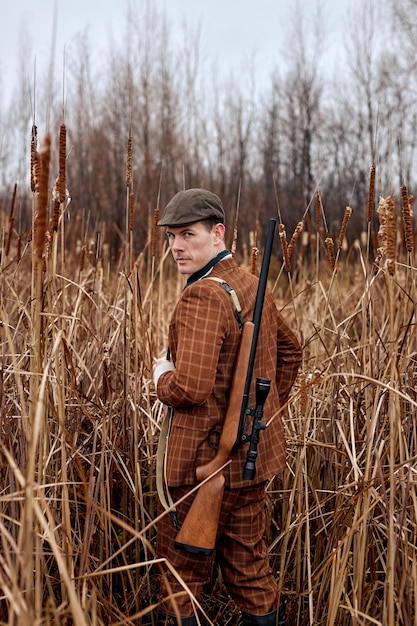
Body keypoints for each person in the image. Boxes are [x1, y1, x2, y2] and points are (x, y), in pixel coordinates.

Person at [152, 188, 302, 626]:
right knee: (249, 569)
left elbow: (191, 388)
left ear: (218, 233)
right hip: (249, 464)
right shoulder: (252, 285)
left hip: (199, 467)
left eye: (187, 235)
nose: (176, 246)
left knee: (181, 573)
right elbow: (291, 354)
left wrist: (161, 377)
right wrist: (259, 418)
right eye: (171, 237)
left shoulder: (202, 296)